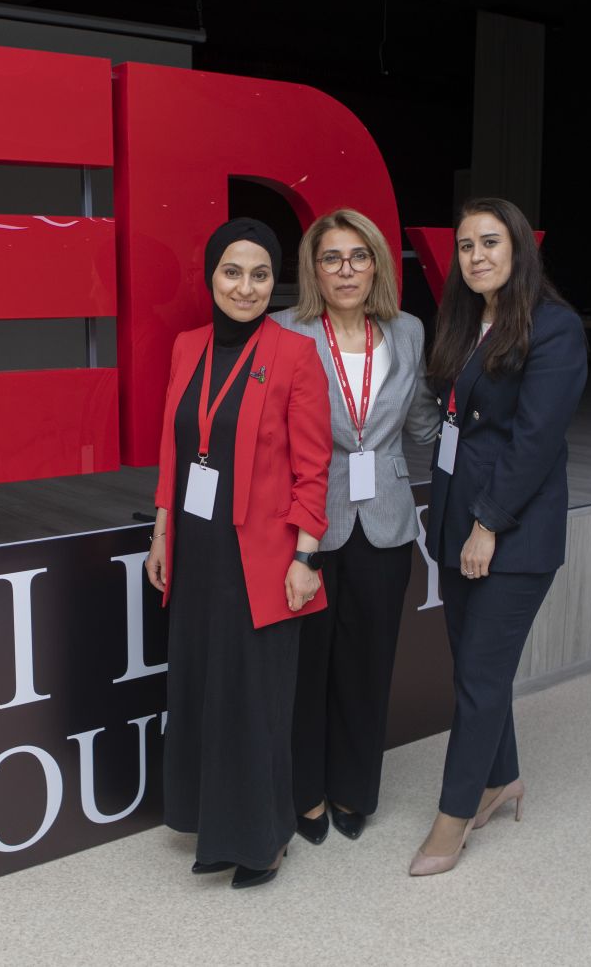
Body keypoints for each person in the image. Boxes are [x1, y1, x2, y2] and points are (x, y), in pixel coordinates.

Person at [143, 217, 332, 889]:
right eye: (232, 272)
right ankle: (216, 826)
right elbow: (173, 448)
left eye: (259, 274)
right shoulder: (187, 345)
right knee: (205, 691)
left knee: (254, 701)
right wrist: (161, 532)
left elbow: (315, 469)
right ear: (211, 276)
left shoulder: (294, 354)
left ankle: (263, 839)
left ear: (273, 281)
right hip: (197, 551)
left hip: (264, 561)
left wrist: (307, 558)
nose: (245, 287)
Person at [412, 196, 587, 876]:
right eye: (466, 245)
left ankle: (452, 817)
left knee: (480, 676)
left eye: (490, 242)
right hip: (457, 518)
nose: (477, 255)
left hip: (512, 530)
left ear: (519, 249)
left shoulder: (554, 327)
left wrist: (487, 525)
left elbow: (535, 442)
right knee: (474, 668)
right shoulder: (463, 320)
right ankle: (501, 777)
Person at [271, 208, 441, 844]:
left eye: (359, 257)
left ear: (377, 266)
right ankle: (306, 794)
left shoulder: (408, 330)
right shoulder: (285, 330)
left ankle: (353, 789)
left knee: (368, 663)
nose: (346, 271)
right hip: (308, 522)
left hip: (387, 521)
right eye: (331, 258)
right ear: (314, 269)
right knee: (307, 664)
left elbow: (421, 421)